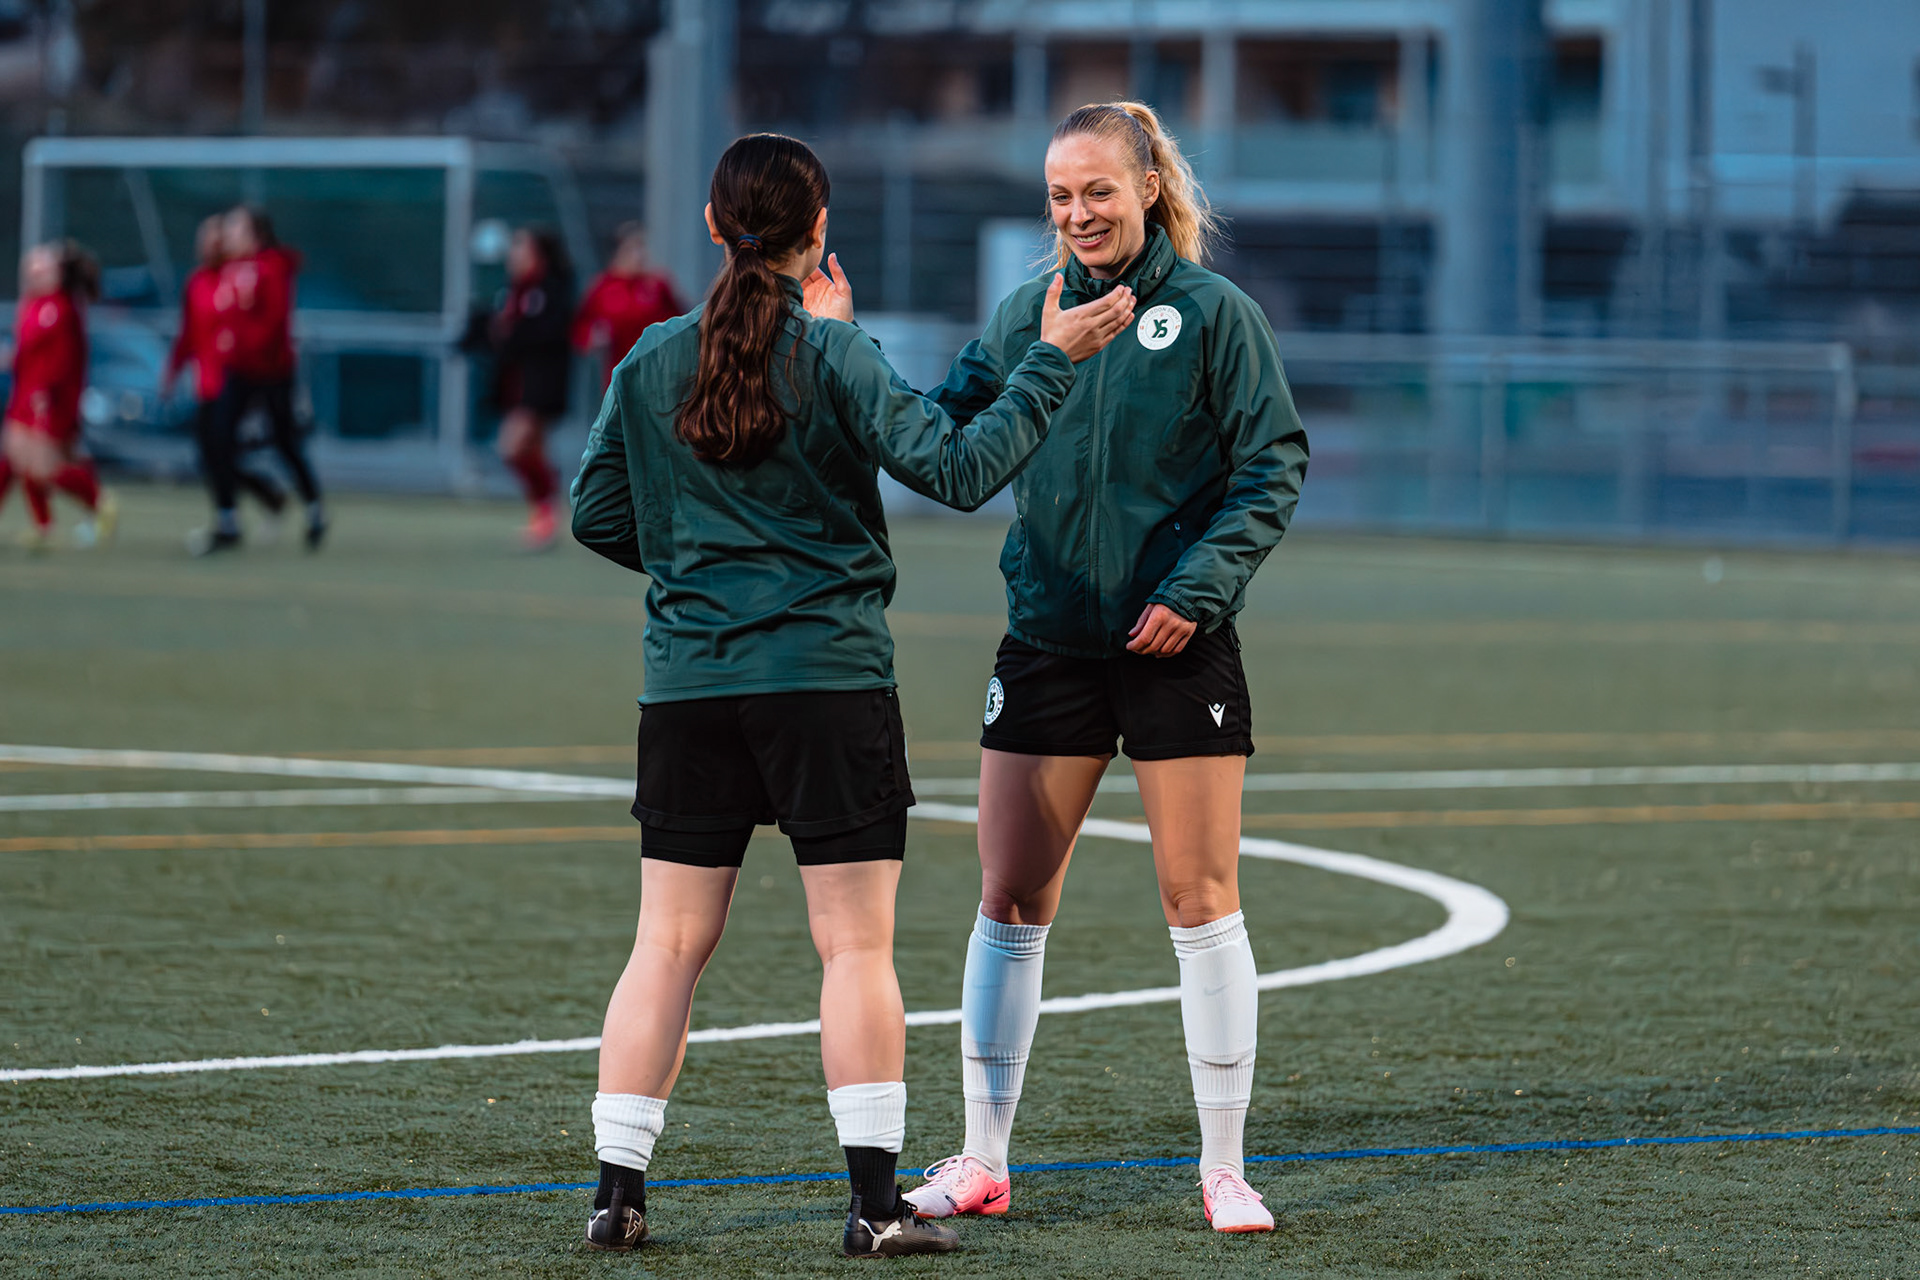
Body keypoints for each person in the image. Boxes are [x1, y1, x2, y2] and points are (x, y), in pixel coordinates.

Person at [568, 132, 1134, 1259]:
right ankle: (875, 1209)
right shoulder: (836, 350)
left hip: (688, 687)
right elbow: (960, 470)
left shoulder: (652, 356)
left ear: (714, 227)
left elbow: (596, 512)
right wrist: (1051, 358)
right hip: (827, 680)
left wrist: (702, 573)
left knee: (665, 945)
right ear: (818, 229)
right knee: (855, 948)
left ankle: (616, 1198)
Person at [901, 102, 1309, 1235]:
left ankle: (1224, 1166)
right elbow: (940, 430)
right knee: (1009, 897)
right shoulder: (1025, 312)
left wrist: (1196, 588)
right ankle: (984, 1158)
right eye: (1060, 197)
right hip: (1047, 641)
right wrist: (843, 364)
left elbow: (1272, 464)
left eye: (1098, 192)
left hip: (1179, 644)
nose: (1077, 214)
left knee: (1200, 899)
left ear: (1147, 189)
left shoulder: (1215, 314)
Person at [195, 205, 325, 555]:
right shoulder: (228, 270)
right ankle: (227, 521)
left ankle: (314, 508)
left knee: (284, 441)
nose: (228, 235)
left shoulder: (271, 267)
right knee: (217, 441)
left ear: (256, 234)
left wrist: (242, 347)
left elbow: (272, 321)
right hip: (238, 371)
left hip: (270, 372)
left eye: (235, 228)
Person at [166, 215, 288, 528]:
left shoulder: (235, 278)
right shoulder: (196, 282)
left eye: (213, 239)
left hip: (232, 378)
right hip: (205, 380)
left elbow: (256, 322)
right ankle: (262, 496)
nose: (205, 245)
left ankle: (229, 517)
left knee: (221, 448)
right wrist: (172, 372)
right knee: (210, 455)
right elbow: (188, 333)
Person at [0, 240, 113, 551]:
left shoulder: (59, 307)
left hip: (44, 397)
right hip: (25, 392)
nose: (34, 263)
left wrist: (45, 393)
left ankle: (98, 501)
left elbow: (61, 361)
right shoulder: (33, 303)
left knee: (41, 467)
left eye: (43, 261)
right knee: (14, 458)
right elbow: (28, 352)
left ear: (57, 272)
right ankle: (44, 525)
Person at [470, 226, 575, 550]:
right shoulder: (515, 291)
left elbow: (544, 334)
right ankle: (545, 519)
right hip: (518, 384)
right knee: (532, 451)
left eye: (521, 247)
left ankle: (548, 511)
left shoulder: (548, 290)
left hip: (541, 386)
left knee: (512, 447)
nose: (513, 254)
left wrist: (507, 332)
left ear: (538, 255)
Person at [571, 222, 686, 391]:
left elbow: (681, 322)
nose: (639, 255)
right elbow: (579, 329)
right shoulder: (603, 288)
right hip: (620, 376)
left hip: (659, 373)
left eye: (641, 248)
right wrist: (593, 337)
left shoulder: (658, 285)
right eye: (631, 249)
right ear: (618, 253)